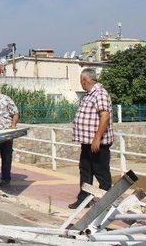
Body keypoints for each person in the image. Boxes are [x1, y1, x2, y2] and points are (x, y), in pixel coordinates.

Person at [69, 68, 114, 209]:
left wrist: (97, 138)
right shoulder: (89, 94)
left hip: (97, 143)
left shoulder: (99, 93)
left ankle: (105, 203)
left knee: (101, 173)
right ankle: (84, 200)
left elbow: (105, 116)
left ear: (84, 80)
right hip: (87, 142)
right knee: (85, 170)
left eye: (81, 81)